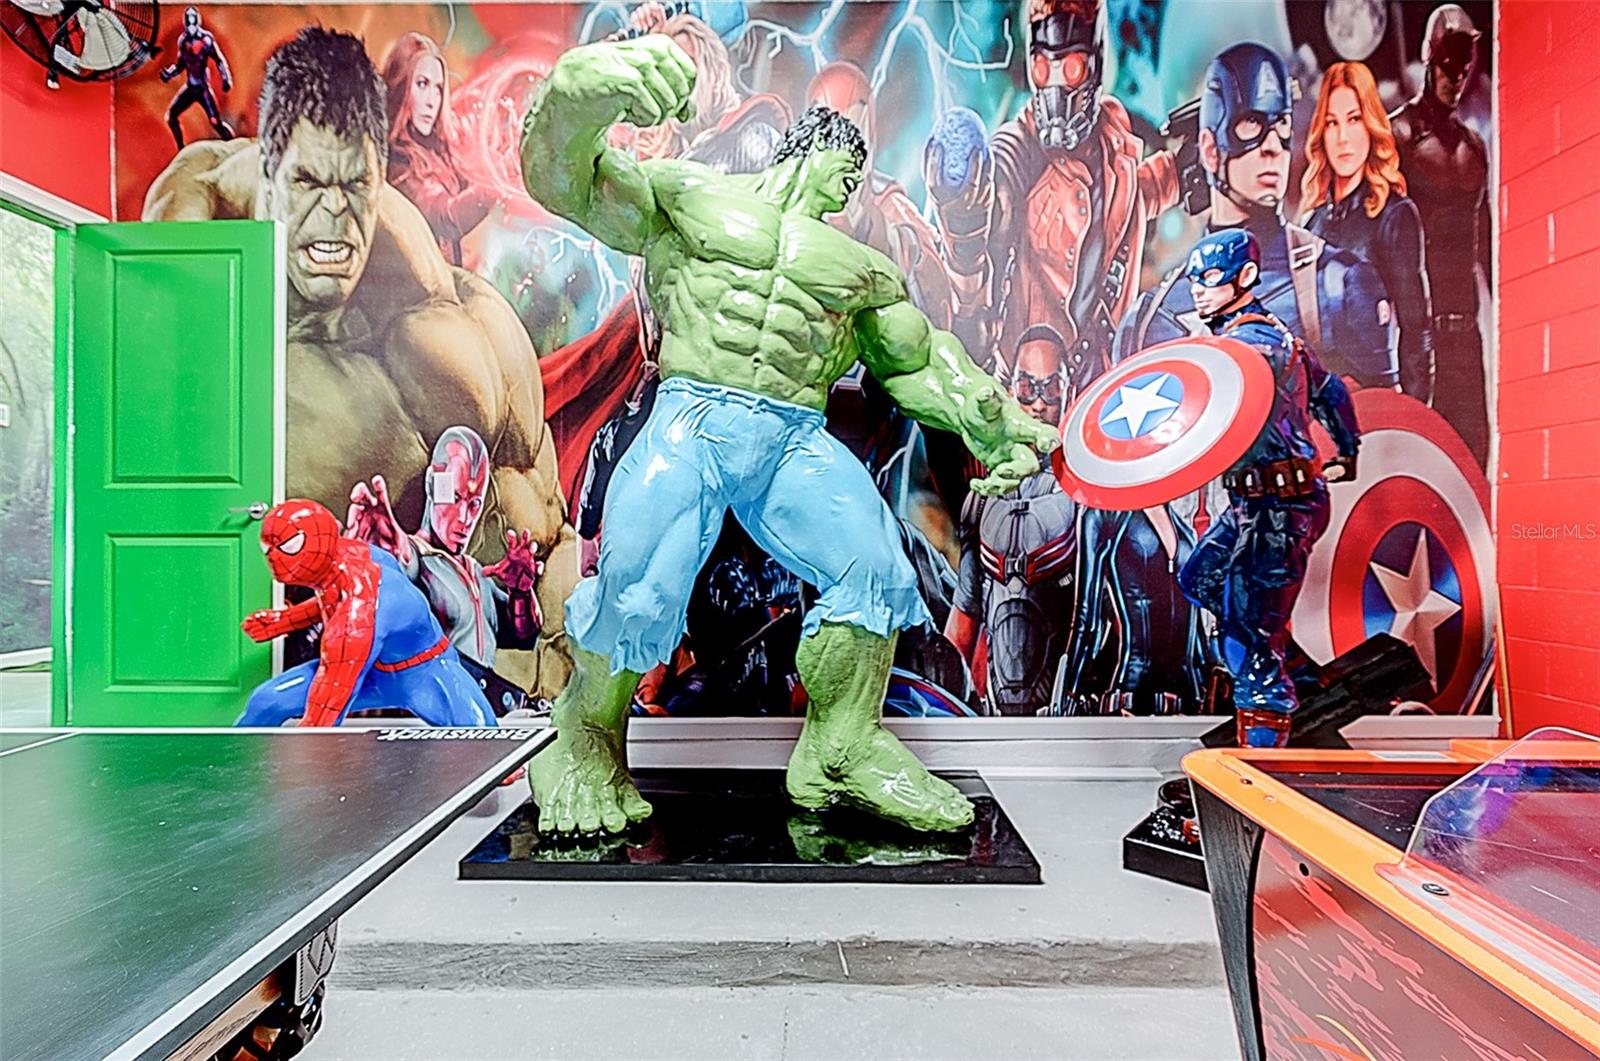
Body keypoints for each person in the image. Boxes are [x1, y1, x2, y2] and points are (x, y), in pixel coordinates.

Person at [519, 36, 1058, 836]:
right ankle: (585, 742)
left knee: (876, 566)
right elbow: (566, 181)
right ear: (815, 149)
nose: (851, 186)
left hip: (791, 437)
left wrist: (998, 418)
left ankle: (841, 748)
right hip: (693, 418)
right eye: (846, 166)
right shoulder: (690, 195)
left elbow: (918, 361)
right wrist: (577, 93)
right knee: (639, 588)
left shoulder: (859, 266)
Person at [141, 27, 577, 698]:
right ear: (268, 169)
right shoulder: (191, 235)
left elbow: (528, 492)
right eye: (309, 182)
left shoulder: (429, 296)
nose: (335, 216)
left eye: (356, 184)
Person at [925, 0, 1178, 389]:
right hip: (1037, 382)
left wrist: (1180, 169)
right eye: (1044, 68)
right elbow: (999, 184)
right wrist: (965, 211)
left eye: (1071, 67)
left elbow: (1128, 200)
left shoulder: (1114, 137)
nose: (1057, 87)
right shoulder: (1021, 147)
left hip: (1103, 376)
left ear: (1094, 62)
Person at [1174, 229, 1361, 748]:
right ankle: (1294, 675)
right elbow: (1331, 391)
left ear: (1247, 276)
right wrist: (1347, 449)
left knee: (1247, 645)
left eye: (1211, 278)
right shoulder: (1276, 338)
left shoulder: (1246, 348)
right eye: (1194, 279)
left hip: (1280, 506)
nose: (1199, 289)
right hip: (1258, 502)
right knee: (1200, 578)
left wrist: (1346, 450)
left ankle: (1260, 771)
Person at [237, 500, 495, 728]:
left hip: (426, 672)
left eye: (288, 546)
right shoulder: (347, 554)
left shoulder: (359, 609)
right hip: (375, 674)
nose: (273, 557)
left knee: (485, 742)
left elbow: (325, 709)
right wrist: (285, 621)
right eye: (267, 547)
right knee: (266, 702)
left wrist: (305, 753)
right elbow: (332, 600)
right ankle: (229, 758)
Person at [345, 427, 544, 714]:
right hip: (427, 719)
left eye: (474, 504)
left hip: (479, 718)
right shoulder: (417, 557)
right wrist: (384, 553)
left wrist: (521, 592)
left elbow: (525, 636)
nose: (464, 517)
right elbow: (402, 565)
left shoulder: (477, 574)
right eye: (454, 497)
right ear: (432, 484)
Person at [944, 325, 1077, 715]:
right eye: (1027, 387)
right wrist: (947, 701)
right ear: (1010, 390)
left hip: (1069, 709)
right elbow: (964, 617)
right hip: (995, 709)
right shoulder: (984, 498)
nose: (1038, 403)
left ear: (1068, 390)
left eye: (1051, 388)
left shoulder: (1087, 490)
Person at [1390, 4, 1491, 466]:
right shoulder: (1398, 134)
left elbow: (1486, 240)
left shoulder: (1473, 146)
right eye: (1449, 66)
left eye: (1465, 68)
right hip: (1417, 336)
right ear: (1430, 60)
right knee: (1417, 467)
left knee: (1473, 463)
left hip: (1466, 334)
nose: (1457, 78)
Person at [1303, 61, 1434, 402]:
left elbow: (1416, 329)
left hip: (1377, 402)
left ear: (1371, 124)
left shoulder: (1394, 215)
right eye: (1331, 123)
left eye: (1354, 119)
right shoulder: (1312, 223)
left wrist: (1412, 414)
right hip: (1322, 406)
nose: (1343, 138)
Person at [380, 32, 493, 266]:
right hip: (411, 286)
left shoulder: (436, 150)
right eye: (422, 84)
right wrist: (496, 183)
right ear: (401, 85)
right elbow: (446, 219)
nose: (432, 100)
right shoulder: (396, 161)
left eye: (438, 88)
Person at [159, 6, 233, 149]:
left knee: (215, 122)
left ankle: (232, 145)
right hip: (190, 87)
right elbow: (180, 65)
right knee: (172, 116)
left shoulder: (206, 40)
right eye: (189, 23)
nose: (191, 27)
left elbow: (218, 60)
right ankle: (181, 148)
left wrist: (226, 78)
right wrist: (169, 74)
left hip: (202, 89)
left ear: (198, 22)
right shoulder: (183, 41)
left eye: (194, 23)